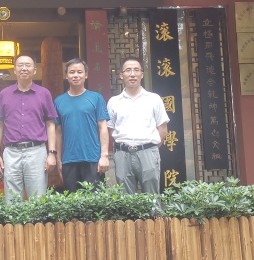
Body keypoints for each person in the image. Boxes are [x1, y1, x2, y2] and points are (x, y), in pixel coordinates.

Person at [0, 55, 58, 203]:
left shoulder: (44, 93)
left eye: (28, 65)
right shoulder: (4, 94)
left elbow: (50, 124)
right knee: (12, 200)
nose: (24, 68)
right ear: (14, 70)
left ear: (34, 70)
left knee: (37, 199)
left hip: (36, 151)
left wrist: (52, 153)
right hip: (11, 152)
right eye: (20, 65)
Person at [107, 57, 170, 195]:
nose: (132, 74)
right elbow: (110, 130)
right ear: (121, 75)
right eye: (128, 70)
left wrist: (150, 149)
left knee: (151, 198)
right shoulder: (114, 102)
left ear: (142, 74)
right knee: (126, 200)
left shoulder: (154, 99)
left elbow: (163, 130)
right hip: (122, 154)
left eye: (136, 70)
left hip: (148, 152)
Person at [54, 58, 110, 193]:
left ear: (86, 75)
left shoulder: (96, 98)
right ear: (66, 76)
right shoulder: (59, 101)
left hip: (93, 159)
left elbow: (103, 127)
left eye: (79, 72)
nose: (76, 75)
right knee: (72, 202)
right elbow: (58, 133)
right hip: (69, 160)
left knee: (95, 202)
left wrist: (104, 156)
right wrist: (58, 160)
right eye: (72, 72)